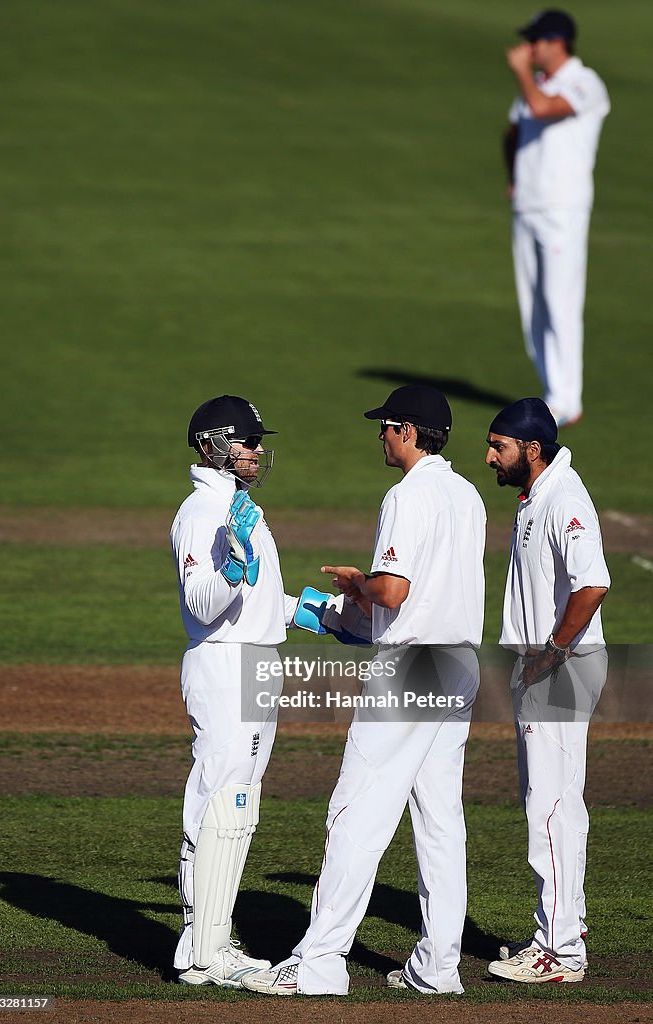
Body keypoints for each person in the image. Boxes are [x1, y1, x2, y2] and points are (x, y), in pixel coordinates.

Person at [241, 383, 486, 996]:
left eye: (385, 426)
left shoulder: (407, 494)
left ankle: (320, 963)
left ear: (407, 430)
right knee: (440, 823)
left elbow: (395, 593)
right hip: (458, 666)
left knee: (355, 813)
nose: (379, 435)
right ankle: (438, 967)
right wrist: (337, 610)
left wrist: (359, 582)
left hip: (410, 670)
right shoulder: (469, 495)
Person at [170, 394, 298, 988]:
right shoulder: (202, 512)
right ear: (214, 445)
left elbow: (257, 602)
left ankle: (209, 943)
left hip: (256, 661)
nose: (258, 452)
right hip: (226, 668)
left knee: (238, 804)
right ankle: (206, 949)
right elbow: (203, 601)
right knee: (222, 803)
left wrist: (316, 613)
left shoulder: (238, 506)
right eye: (248, 442)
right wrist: (234, 563)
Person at [484, 397, 610, 983]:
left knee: (550, 806)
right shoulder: (540, 492)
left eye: (499, 446)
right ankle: (566, 925)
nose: (490, 457)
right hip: (546, 666)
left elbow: (593, 584)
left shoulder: (563, 498)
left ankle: (559, 951)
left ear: (531, 448)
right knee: (558, 802)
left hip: (559, 668)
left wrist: (551, 651)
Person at [503, 9, 610, 427]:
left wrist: (521, 73)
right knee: (533, 305)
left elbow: (543, 108)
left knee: (560, 301)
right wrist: (513, 177)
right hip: (527, 205)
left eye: (536, 41)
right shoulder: (537, 84)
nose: (529, 49)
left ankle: (569, 399)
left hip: (563, 207)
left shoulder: (584, 82)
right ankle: (552, 393)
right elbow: (511, 132)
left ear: (557, 42)